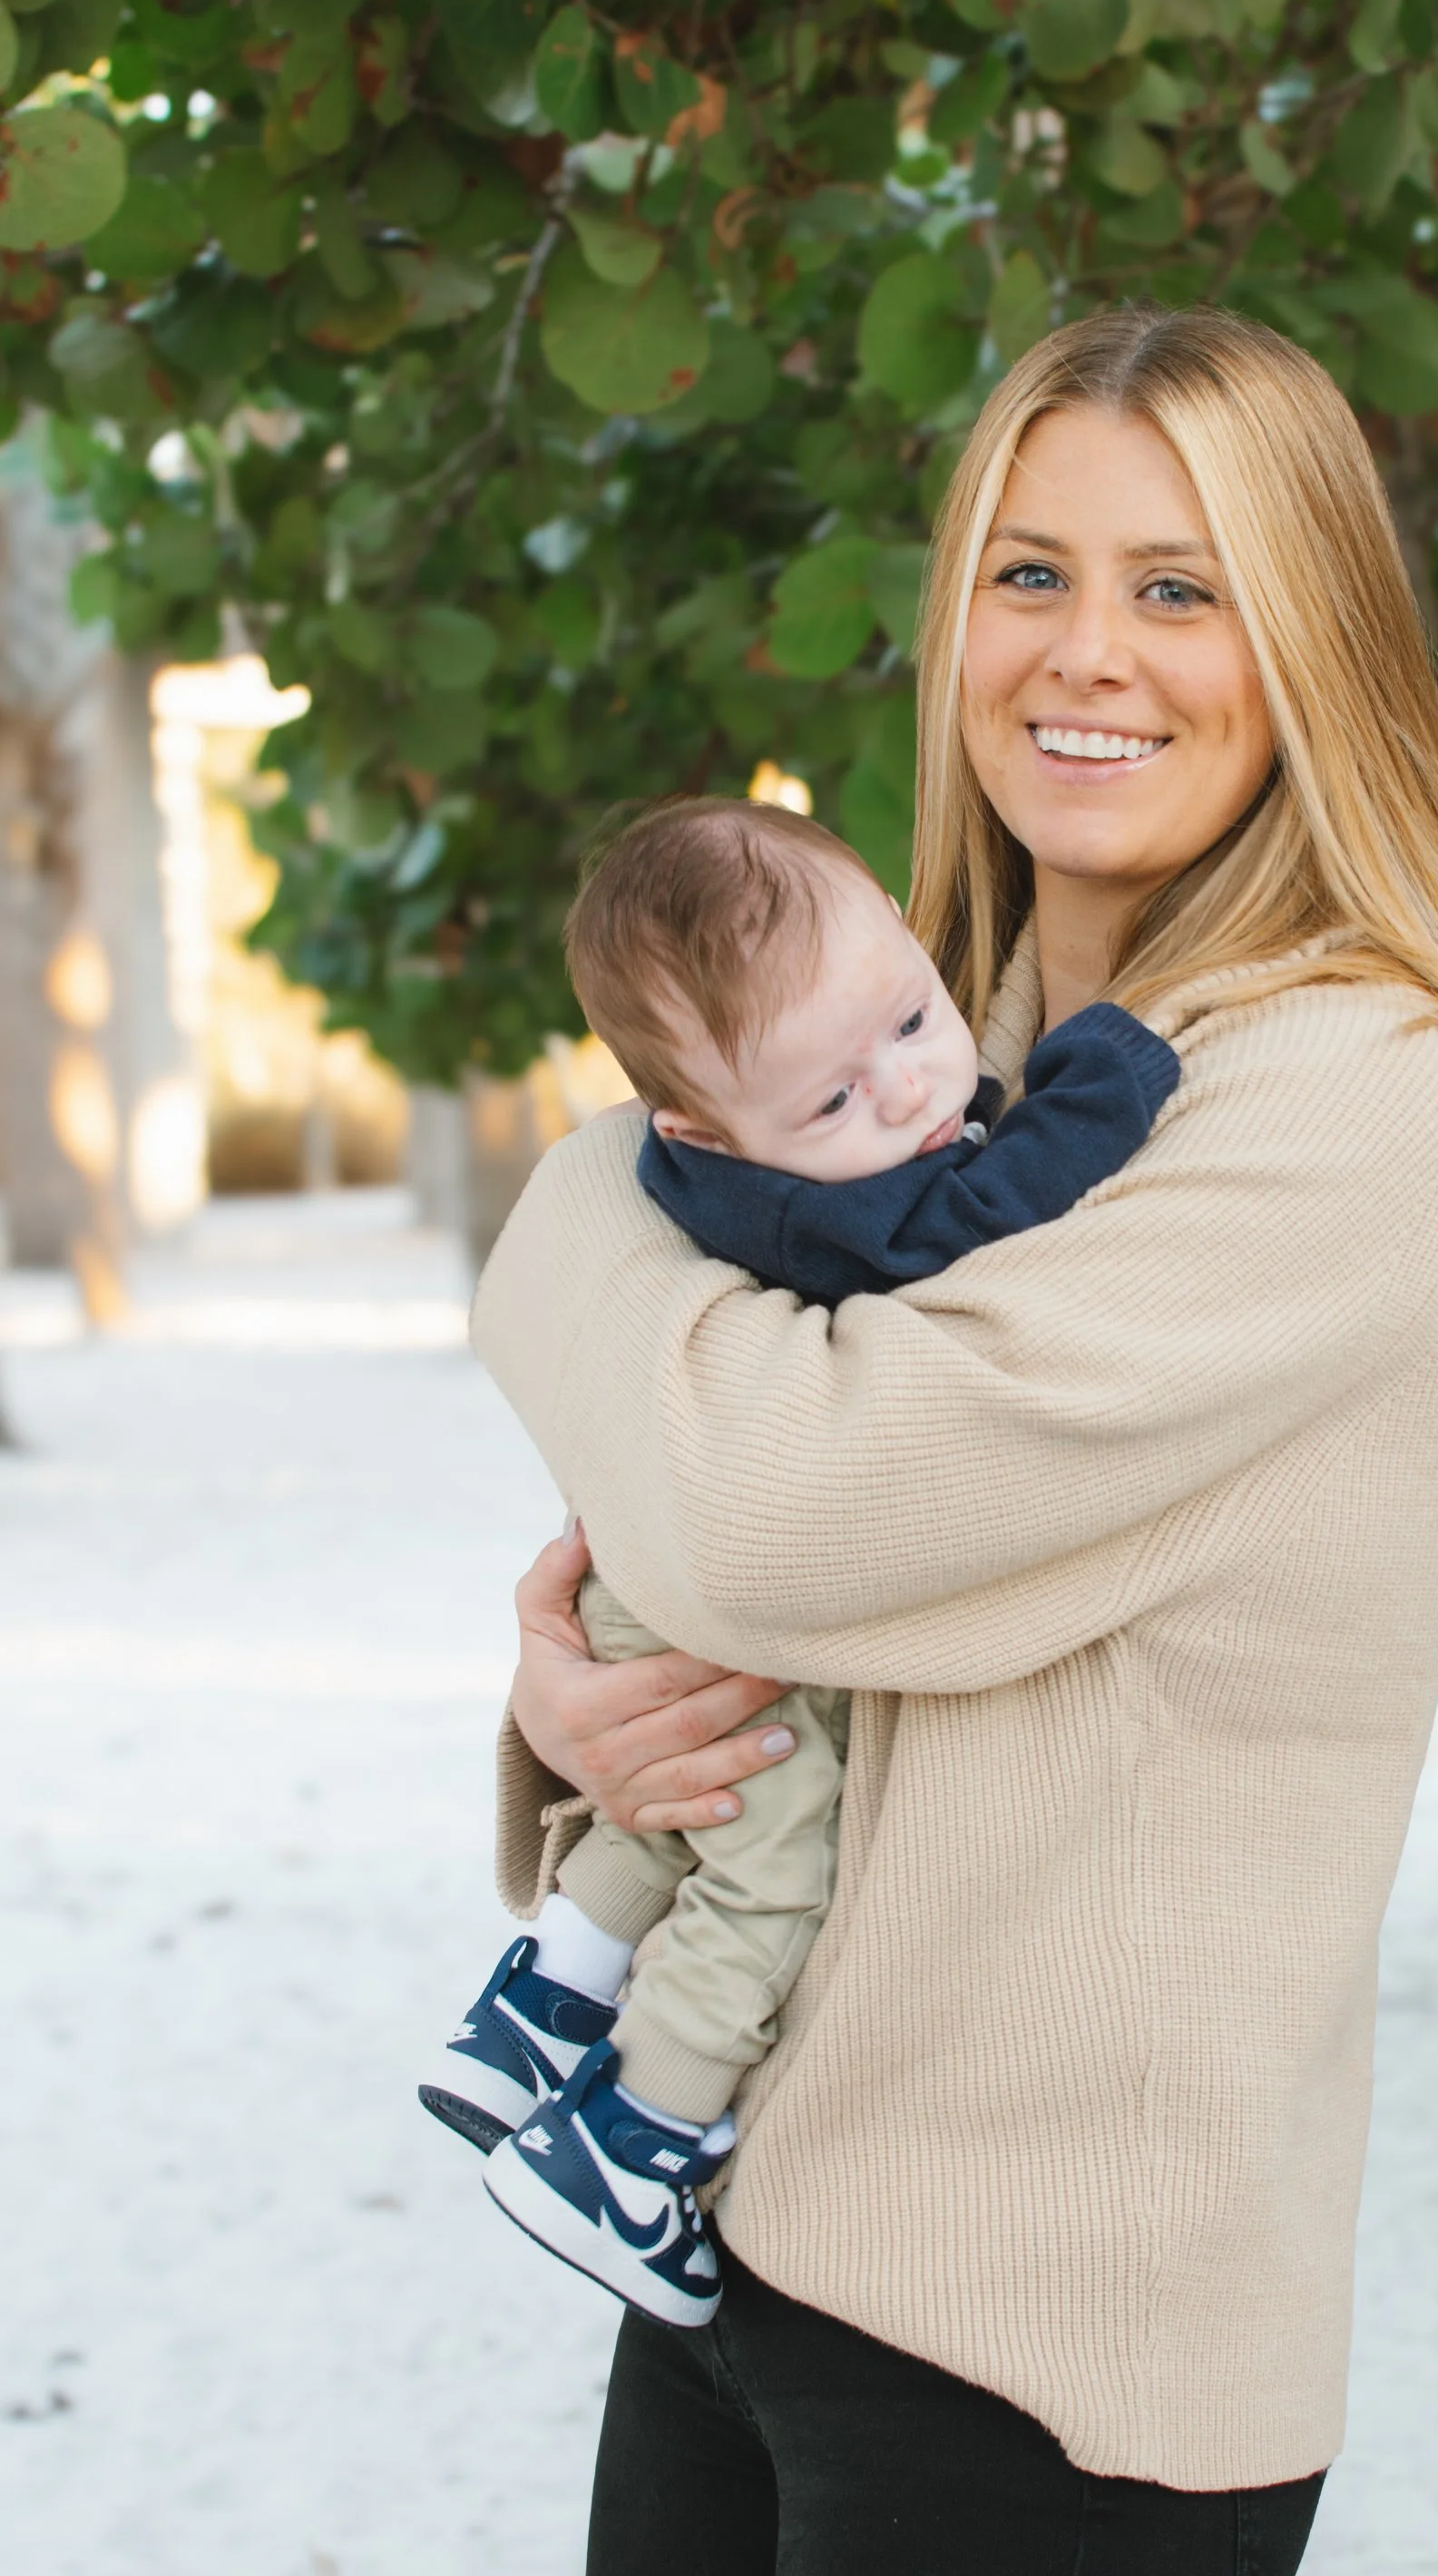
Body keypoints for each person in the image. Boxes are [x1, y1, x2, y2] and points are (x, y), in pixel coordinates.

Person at [473, 305, 1438, 2576]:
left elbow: (785, 1498)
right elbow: (734, 1565)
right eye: (1031, 569)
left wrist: (580, 1198)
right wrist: (579, 1707)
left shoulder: (1349, 1101)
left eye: (1182, 582)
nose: (1092, 648)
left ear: (1314, 635)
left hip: (1044, 2357)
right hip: (749, 2266)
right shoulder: (927, 1041)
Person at [419, 790, 1179, 2326]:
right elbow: (973, 1214)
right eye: (832, 1101)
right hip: (705, 1574)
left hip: (652, 1572)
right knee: (773, 1859)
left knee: (706, 1800)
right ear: (697, 1130)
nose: (906, 1097)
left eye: (913, 1017)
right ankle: (635, 2138)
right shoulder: (837, 1216)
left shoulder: (734, 1149)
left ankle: (543, 2000)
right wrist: (1102, 1079)